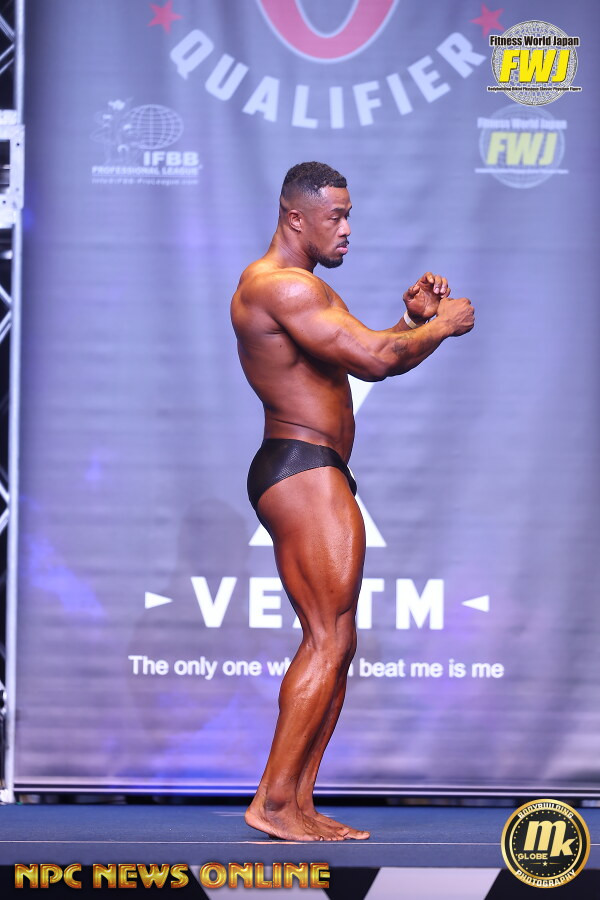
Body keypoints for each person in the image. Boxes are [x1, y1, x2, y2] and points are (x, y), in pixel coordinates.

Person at [230, 162, 474, 842]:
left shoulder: (306, 289)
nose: (346, 229)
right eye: (334, 216)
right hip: (303, 468)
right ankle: (273, 802)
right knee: (327, 637)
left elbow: (381, 351)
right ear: (295, 217)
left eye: (348, 215)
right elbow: (374, 360)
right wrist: (443, 325)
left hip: (312, 467)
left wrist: (412, 322)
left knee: (337, 640)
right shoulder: (281, 286)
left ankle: (296, 802)